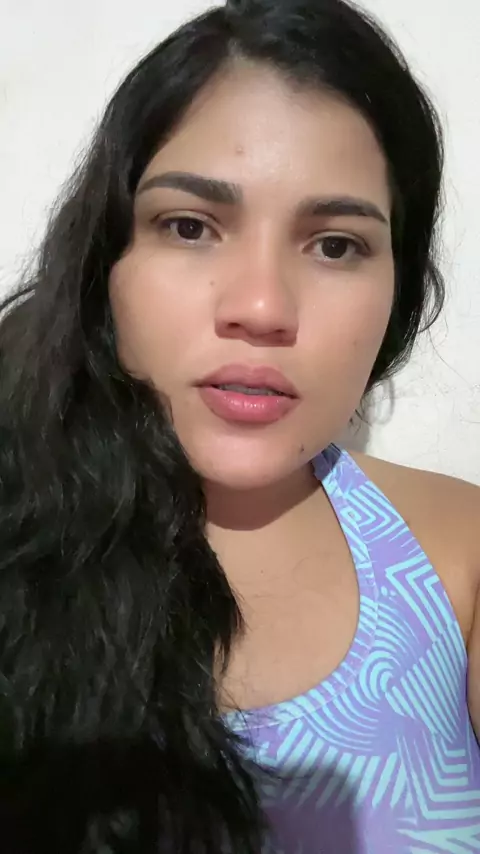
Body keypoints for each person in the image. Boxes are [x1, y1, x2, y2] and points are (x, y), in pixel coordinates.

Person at [0, 0, 479, 851]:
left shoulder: (457, 552)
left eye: (335, 245)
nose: (261, 308)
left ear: (397, 293)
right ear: (107, 262)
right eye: (190, 227)